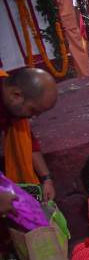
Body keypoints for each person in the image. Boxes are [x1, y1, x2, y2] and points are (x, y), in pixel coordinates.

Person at [0, 68, 57, 201]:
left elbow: (28, 141)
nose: (33, 117)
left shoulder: (10, 103)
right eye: (32, 110)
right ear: (16, 95)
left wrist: (47, 179)